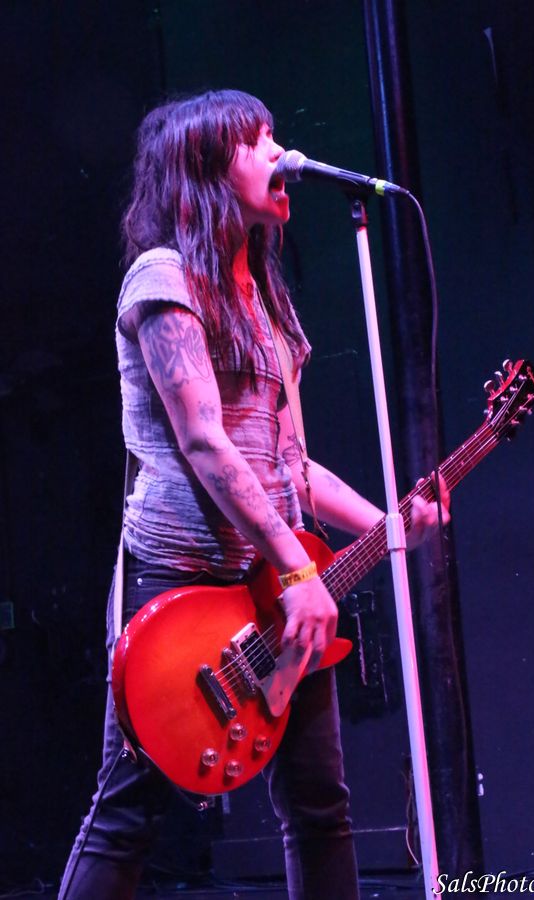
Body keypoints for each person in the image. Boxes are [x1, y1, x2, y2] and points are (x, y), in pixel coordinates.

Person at [58, 89, 450, 900]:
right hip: (181, 576)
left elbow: (290, 465)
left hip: (274, 579)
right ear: (203, 167)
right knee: (128, 813)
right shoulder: (164, 277)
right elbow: (205, 440)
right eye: (257, 140)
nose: (281, 153)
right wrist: (301, 571)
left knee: (320, 806)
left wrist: (388, 525)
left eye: (276, 134)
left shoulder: (269, 300)